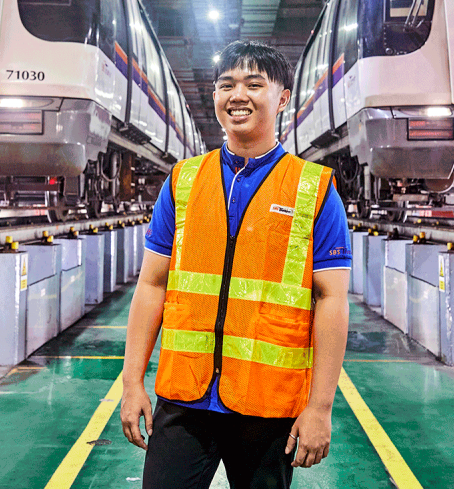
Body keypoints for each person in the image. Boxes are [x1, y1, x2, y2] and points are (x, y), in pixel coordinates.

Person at [120, 40, 352, 489]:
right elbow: (151, 284)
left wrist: (320, 407)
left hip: (267, 408)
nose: (237, 95)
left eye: (253, 84)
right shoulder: (183, 181)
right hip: (185, 400)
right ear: (214, 97)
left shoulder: (313, 189)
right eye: (226, 85)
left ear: (282, 98)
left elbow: (332, 299)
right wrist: (132, 383)